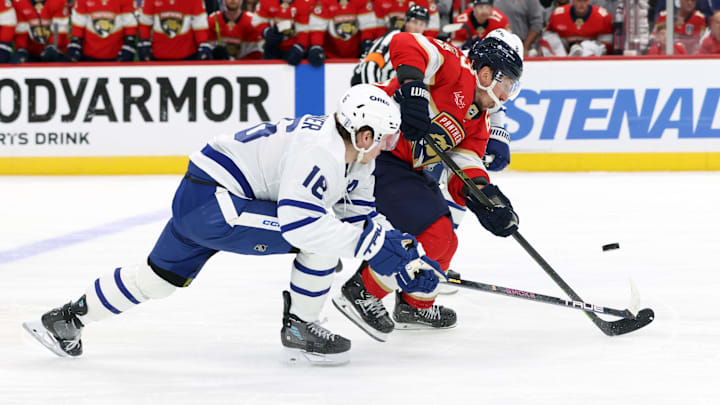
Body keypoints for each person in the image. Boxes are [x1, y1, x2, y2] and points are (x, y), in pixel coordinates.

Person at [22, 85, 445, 366]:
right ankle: (301, 325)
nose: (391, 146)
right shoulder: (322, 151)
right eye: (387, 138)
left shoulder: (354, 156)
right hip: (215, 202)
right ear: (364, 133)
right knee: (318, 239)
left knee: (159, 279)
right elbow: (302, 225)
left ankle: (65, 320)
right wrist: (374, 246)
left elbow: (362, 218)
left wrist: (403, 253)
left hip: (204, 196)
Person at [332, 29, 523, 341]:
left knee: (446, 241)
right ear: (486, 73)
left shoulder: (479, 123)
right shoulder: (454, 66)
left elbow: (466, 166)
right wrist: (414, 90)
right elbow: (404, 42)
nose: (507, 95)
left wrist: (488, 200)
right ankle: (362, 291)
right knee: (433, 234)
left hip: (406, 167)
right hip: (375, 154)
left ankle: (415, 305)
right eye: (507, 84)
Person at [351, 4, 431, 86]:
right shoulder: (394, 36)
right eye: (414, 22)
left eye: (422, 24)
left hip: (381, 85)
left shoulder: (419, 46)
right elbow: (370, 64)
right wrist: (374, 91)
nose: (418, 28)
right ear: (406, 21)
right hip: (362, 82)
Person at [307, 0, 382, 64]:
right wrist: (316, 45)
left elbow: (368, 25)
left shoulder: (362, 1)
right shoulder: (325, 2)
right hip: (329, 57)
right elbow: (317, 28)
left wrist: (367, 41)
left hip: (357, 56)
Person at [137, 0, 211, 60]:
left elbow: (200, 26)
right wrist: (144, 41)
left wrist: (202, 43)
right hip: (158, 55)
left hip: (187, 56)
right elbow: (145, 24)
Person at [67, 0, 138, 62]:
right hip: (88, 55)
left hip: (117, 55)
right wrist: (76, 42)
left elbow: (130, 25)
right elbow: (78, 26)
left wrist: (129, 42)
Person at [252, 0, 315, 65]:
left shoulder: (305, 3)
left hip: (294, 47)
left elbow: (305, 29)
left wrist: (299, 47)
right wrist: (266, 31)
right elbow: (258, 20)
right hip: (272, 46)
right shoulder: (266, 1)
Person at [540, 0, 613, 56]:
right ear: (572, 1)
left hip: (591, 60)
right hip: (563, 57)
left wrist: (586, 49)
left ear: (589, 1)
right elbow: (547, 38)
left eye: (584, 0)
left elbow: (607, 46)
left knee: (593, 46)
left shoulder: (603, 16)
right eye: (578, 0)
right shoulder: (558, 14)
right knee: (551, 38)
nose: (581, 4)